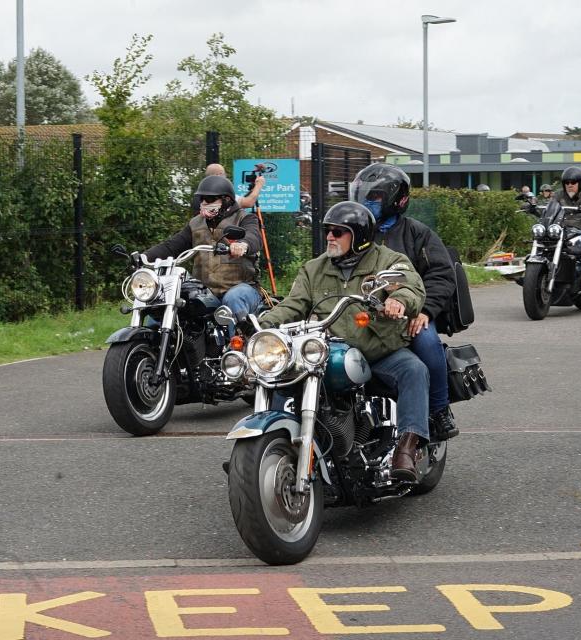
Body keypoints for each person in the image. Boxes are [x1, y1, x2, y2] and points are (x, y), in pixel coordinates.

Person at [257, 201, 430, 479]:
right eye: (328, 231)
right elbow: (293, 305)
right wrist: (261, 325)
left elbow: (411, 286)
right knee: (282, 375)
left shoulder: (387, 261)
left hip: (377, 350)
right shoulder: (314, 269)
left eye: (338, 232)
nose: (329, 237)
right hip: (328, 351)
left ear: (359, 237)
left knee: (414, 370)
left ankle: (407, 448)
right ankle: (270, 450)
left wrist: (398, 300)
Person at [350, 163, 459, 441]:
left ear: (397, 199)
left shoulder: (417, 233)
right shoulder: (354, 232)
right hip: (361, 312)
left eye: (373, 198)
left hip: (410, 312)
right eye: (363, 197)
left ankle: (439, 409)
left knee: (426, 341)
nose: (366, 204)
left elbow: (442, 275)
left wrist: (424, 310)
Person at [144, 175, 264, 327]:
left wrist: (242, 244)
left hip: (242, 288)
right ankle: (151, 344)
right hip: (206, 291)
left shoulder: (245, 218)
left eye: (210, 199)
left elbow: (253, 236)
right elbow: (171, 246)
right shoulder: (195, 224)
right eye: (202, 199)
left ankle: (238, 347)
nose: (204, 203)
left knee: (234, 298)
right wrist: (144, 257)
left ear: (226, 200)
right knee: (164, 300)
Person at [198, 163, 265, 211]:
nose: (225, 176)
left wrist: (253, 189)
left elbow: (240, 202)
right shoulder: (222, 193)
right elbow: (248, 203)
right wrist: (259, 185)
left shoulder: (201, 195)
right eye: (224, 173)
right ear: (219, 174)